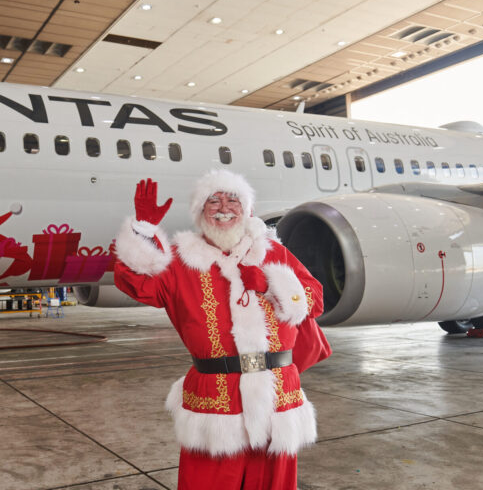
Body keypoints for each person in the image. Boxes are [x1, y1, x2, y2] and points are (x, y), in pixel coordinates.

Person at [114, 170, 331, 490]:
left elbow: (314, 299)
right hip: (215, 400)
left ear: (248, 210)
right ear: (200, 212)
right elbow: (137, 284)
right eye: (213, 201)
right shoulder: (180, 260)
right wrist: (143, 231)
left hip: (277, 396)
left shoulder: (273, 253)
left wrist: (273, 284)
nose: (223, 207)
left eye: (233, 200)